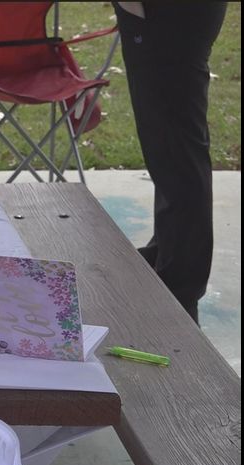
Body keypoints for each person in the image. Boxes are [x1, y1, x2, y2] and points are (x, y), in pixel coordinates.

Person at [113, 2, 227, 323]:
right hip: (168, 15)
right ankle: (167, 253)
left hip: (164, 15)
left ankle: (180, 286)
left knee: (177, 152)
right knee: (168, 148)